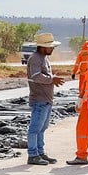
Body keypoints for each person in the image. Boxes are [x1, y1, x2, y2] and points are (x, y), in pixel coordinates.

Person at [25, 32, 64, 165]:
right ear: (42, 47)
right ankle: (33, 154)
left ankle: (40, 152)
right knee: (35, 128)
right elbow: (36, 76)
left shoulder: (43, 58)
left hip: (46, 99)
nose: (53, 49)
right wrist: (52, 79)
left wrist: (52, 79)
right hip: (39, 99)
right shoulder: (35, 59)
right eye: (50, 47)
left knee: (42, 127)